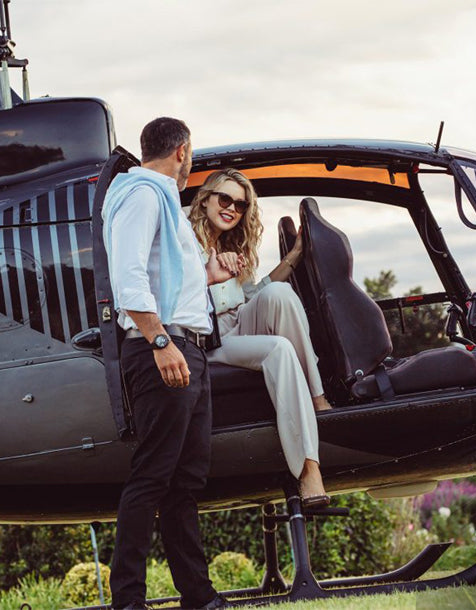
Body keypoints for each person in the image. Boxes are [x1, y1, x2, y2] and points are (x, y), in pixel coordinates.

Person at [104, 117, 224, 609]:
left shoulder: (164, 202)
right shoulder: (143, 195)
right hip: (162, 348)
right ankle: (127, 601)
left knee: (184, 481)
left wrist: (207, 276)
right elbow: (128, 277)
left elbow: (165, 277)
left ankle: (198, 597)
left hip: (186, 346)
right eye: (190, 154)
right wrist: (160, 342)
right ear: (182, 151)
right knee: (153, 475)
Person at [187, 168, 330, 508]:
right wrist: (207, 274)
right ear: (205, 199)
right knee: (279, 349)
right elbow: (174, 298)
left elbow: (254, 294)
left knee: (279, 293)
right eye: (225, 199)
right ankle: (308, 468)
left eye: (240, 205)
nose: (232, 208)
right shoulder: (185, 242)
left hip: (240, 321)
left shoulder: (232, 245)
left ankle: (318, 398)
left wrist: (294, 256)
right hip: (210, 338)